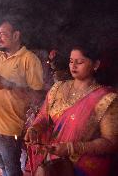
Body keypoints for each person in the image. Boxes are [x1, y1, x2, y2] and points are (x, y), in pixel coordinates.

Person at [24, 44, 118, 176]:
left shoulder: (106, 98)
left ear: (95, 65)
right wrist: (34, 129)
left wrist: (71, 148)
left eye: (79, 62)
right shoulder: (58, 88)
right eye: (71, 61)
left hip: (83, 167)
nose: (73, 66)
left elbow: (111, 143)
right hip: (53, 162)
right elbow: (44, 116)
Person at [0, 18, 44, 176]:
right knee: (2, 166)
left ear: (16, 35)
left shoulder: (29, 60)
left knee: (12, 169)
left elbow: (37, 97)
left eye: (3, 34)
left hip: (9, 129)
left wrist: (9, 84)